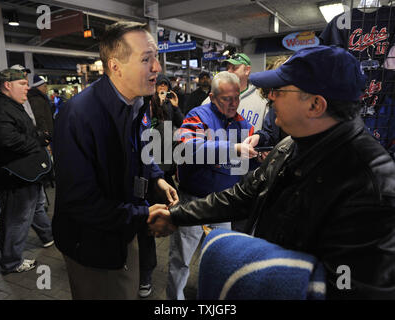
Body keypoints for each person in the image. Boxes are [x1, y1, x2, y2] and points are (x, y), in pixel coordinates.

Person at [148, 45, 395, 299]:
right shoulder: (289, 146)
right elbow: (242, 195)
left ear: (315, 105)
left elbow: (356, 287)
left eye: (279, 91)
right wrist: (177, 215)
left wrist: (236, 255)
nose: (270, 98)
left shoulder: (372, 182)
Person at [52, 21, 178, 300]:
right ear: (115, 66)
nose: (157, 67)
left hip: (123, 230)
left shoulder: (136, 103)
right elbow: (81, 202)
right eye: (146, 59)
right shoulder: (79, 116)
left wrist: (157, 178)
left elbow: (140, 150)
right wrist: (144, 215)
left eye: (155, 57)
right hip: (92, 244)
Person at [166, 71, 259, 300]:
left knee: (221, 260)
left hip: (224, 204)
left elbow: (246, 164)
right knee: (181, 259)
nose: (233, 103)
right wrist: (234, 148)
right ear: (212, 97)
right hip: (194, 202)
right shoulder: (197, 116)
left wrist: (259, 156)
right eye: (227, 98)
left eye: (236, 97)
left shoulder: (243, 124)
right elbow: (188, 149)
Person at [0, 69, 52, 274]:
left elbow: (21, 131)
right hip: (15, 176)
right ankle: (11, 262)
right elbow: (7, 140)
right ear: (7, 86)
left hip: (22, 174)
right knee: (17, 220)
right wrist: (36, 141)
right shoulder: (2, 109)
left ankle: (48, 237)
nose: (27, 87)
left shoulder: (12, 105)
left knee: (28, 210)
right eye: (22, 83)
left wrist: (38, 135)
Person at [137, 74, 184, 298]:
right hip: (144, 167)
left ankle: (145, 275)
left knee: (156, 206)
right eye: (159, 87)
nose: (161, 90)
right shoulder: (144, 106)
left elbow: (179, 126)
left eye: (165, 86)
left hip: (161, 163)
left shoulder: (168, 106)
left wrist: (173, 106)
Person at [203, 53, 268, 131]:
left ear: (247, 70)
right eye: (227, 68)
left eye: (234, 68)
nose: (229, 72)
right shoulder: (211, 100)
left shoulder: (261, 101)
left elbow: (268, 134)